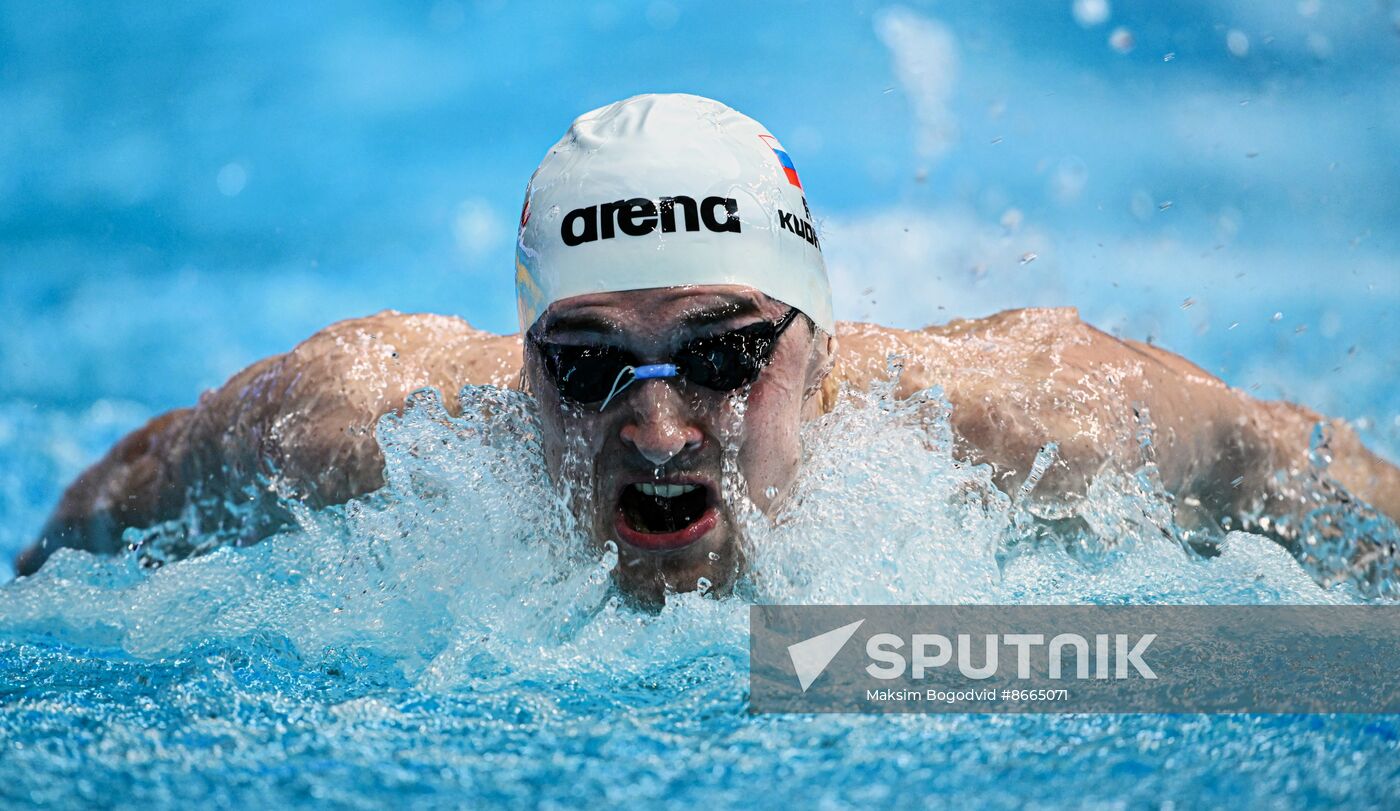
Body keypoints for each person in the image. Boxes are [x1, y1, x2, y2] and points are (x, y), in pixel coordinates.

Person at [17, 94, 1399, 602]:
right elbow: (110, 509)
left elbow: (1324, 479)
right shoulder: (357, 431)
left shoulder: (1053, 424)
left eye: (727, 356)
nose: (660, 427)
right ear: (521, 372)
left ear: (825, 352)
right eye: (586, 362)